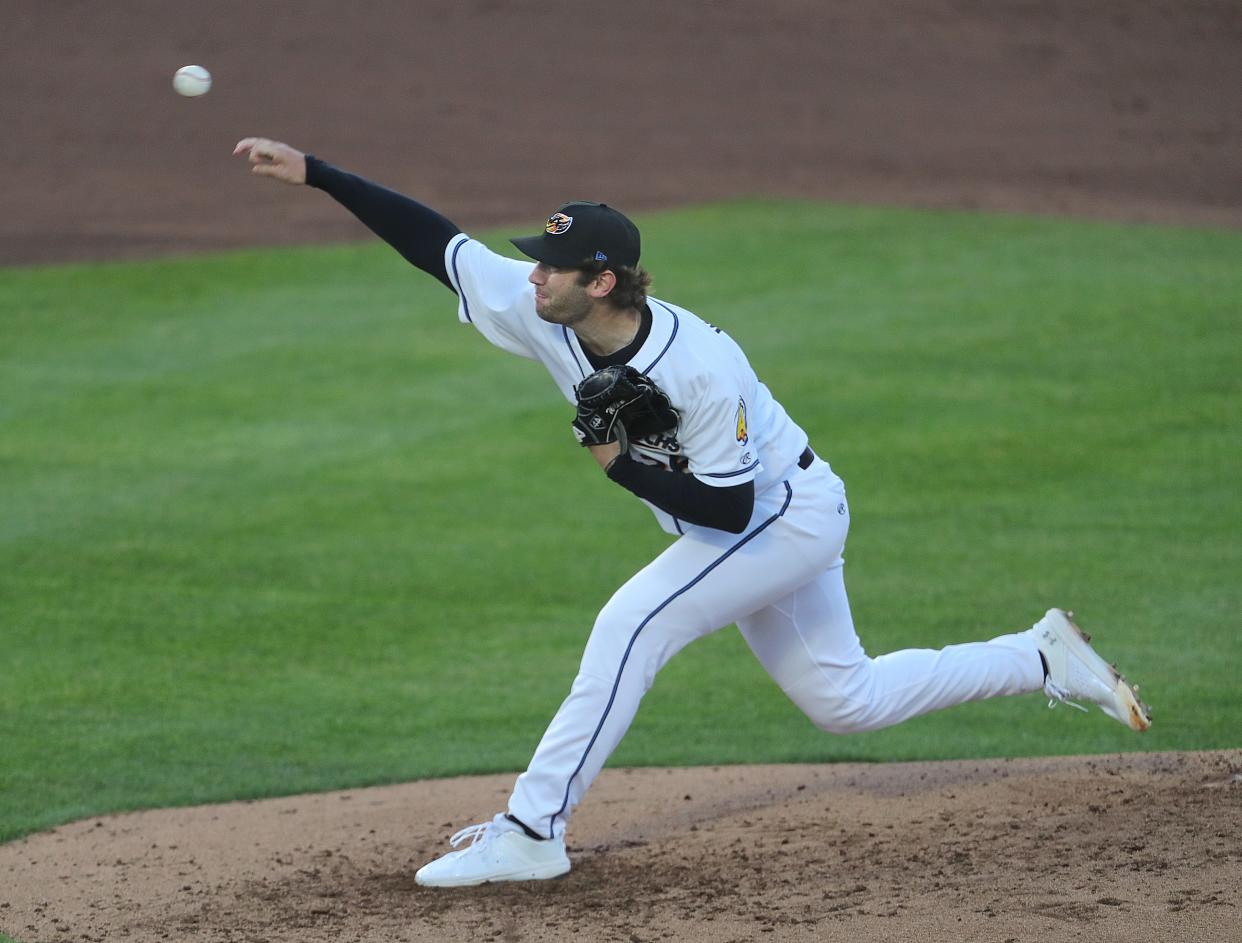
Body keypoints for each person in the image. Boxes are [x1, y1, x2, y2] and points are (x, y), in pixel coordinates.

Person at [232, 137, 1151, 888]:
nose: (530, 277)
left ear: (599, 281)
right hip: (759, 518)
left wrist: (618, 466)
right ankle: (1039, 656)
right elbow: (434, 243)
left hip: (777, 519)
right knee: (846, 700)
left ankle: (532, 827)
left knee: (631, 623)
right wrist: (316, 173)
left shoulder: (699, 366)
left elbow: (728, 506)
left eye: (550, 267)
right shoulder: (543, 311)